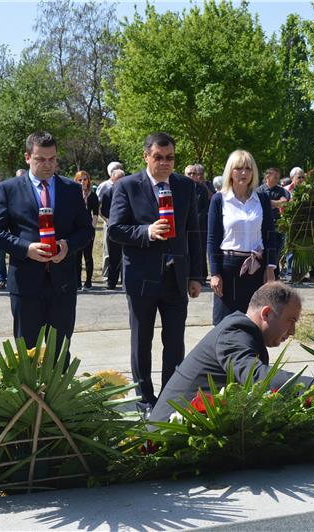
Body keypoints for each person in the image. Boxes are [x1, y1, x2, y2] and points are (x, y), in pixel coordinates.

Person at [149, 282, 314, 422]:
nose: (292, 331)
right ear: (266, 313)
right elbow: (256, 377)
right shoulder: (234, 332)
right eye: (290, 321)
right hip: (169, 437)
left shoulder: (245, 335)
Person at [107, 132, 202, 411]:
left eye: (170, 158)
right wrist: (146, 232)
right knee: (142, 340)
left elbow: (193, 233)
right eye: (158, 157)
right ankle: (144, 398)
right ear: (146, 156)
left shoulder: (185, 186)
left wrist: (196, 275)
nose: (164, 163)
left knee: (174, 342)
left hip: (176, 277)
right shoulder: (127, 186)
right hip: (142, 277)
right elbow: (114, 229)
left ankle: (170, 397)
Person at [0, 132, 93, 364]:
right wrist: (26, 248)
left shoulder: (71, 189)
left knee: (60, 355)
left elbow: (86, 230)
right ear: (27, 157)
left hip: (62, 284)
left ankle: (57, 399)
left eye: (52, 159)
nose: (48, 165)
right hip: (26, 284)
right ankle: (30, 400)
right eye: (40, 159)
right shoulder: (9, 189)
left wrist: (67, 246)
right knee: (27, 356)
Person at [207, 150, 276, 325]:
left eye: (248, 168)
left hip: (256, 268)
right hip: (228, 268)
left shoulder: (261, 198)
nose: (243, 173)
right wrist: (214, 273)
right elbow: (212, 238)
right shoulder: (219, 199)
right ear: (230, 171)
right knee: (225, 324)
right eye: (238, 168)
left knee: (254, 322)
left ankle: (251, 354)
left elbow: (269, 235)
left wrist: (270, 268)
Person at [256, 167, 289, 278]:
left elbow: (285, 202)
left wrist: (271, 203)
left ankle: (275, 274)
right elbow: (261, 203)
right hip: (262, 226)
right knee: (265, 252)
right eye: (275, 177)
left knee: (276, 251)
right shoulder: (259, 190)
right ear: (267, 177)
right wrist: (276, 203)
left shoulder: (280, 190)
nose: (277, 180)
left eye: (278, 178)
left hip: (277, 226)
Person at [97, 168, 124, 290]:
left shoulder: (129, 191)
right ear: (112, 179)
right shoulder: (108, 193)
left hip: (126, 228)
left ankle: (126, 282)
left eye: (122, 179)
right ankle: (111, 282)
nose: (120, 181)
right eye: (118, 179)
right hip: (113, 227)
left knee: (126, 256)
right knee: (113, 256)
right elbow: (103, 210)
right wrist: (111, 220)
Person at [74, 171, 100, 290]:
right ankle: (77, 282)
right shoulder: (73, 194)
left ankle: (88, 282)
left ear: (88, 181)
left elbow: (95, 214)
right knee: (76, 256)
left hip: (88, 228)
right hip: (75, 229)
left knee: (88, 255)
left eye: (85, 179)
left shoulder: (92, 195)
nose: (82, 182)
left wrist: (92, 229)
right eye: (80, 180)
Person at [186, 164, 211, 281]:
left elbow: (204, 208)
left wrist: (194, 221)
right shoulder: (180, 188)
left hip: (199, 225)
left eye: (194, 174)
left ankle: (200, 276)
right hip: (184, 226)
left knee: (200, 251)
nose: (192, 176)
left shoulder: (202, 189)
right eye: (189, 174)